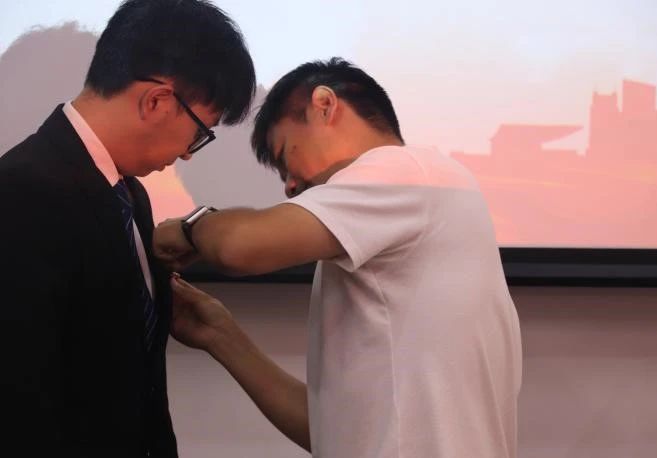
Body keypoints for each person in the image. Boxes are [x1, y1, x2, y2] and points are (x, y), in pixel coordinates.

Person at [154, 58, 522, 457]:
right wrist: (219, 334)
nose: (290, 187)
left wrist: (188, 227)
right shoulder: (397, 216)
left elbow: (237, 245)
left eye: (285, 156)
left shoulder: (406, 171)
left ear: (325, 105)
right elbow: (332, 432)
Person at [0, 0, 255, 456]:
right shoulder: (20, 191)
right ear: (157, 101)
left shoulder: (129, 192)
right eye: (200, 131)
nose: (189, 153)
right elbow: (21, 400)